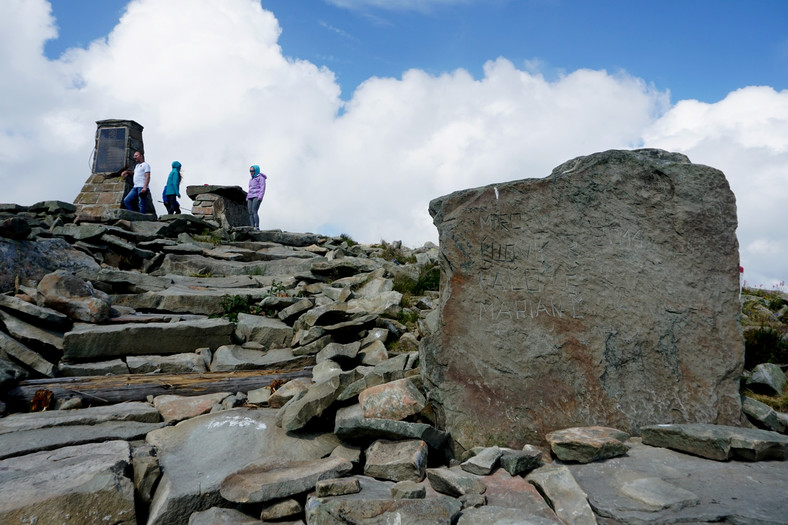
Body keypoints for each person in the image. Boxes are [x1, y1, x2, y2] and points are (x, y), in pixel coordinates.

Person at [247, 164, 267, 230]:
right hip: (250, 197)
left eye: (252, 171)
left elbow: (262, 187)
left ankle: (257, 226)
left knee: (254, 211)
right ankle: (252, 227)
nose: (251, 172)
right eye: (250, 171)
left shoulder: (261, 178)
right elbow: (249, 189)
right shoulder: (251, 179)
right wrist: (247, 197)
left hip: (257, 196)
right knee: (250, 212)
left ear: (256, 170)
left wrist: (260, 197)